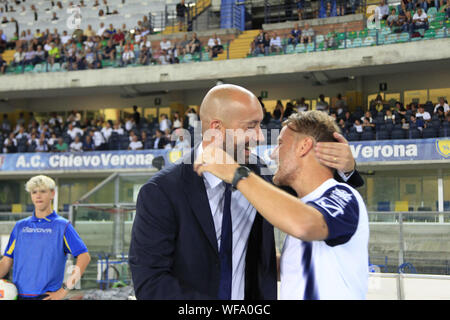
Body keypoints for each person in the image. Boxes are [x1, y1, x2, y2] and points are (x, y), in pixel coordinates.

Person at [129, 84, 363, 300]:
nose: (261, 136)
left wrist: (346, 170)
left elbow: (313, 205)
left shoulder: (259, 175)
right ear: (217, 129)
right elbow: (151, 282)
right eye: (251, 126)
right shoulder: (161, 191)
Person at [194, 110, 369, 300]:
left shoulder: (343, 195)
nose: (273, 154)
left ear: (304, 146)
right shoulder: (303, 207)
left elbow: (305, 225)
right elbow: (294, 268)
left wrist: (237, 174)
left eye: (280, 144)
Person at [0, 175, 91, 300]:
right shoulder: (20, 226)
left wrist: (64, 290)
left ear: (52, 194)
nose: (38, 196)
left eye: (43, 191)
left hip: (46, 296)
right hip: (18, 295)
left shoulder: (62, 226)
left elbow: (84, 257)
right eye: (34, 192)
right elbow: (6, 262)